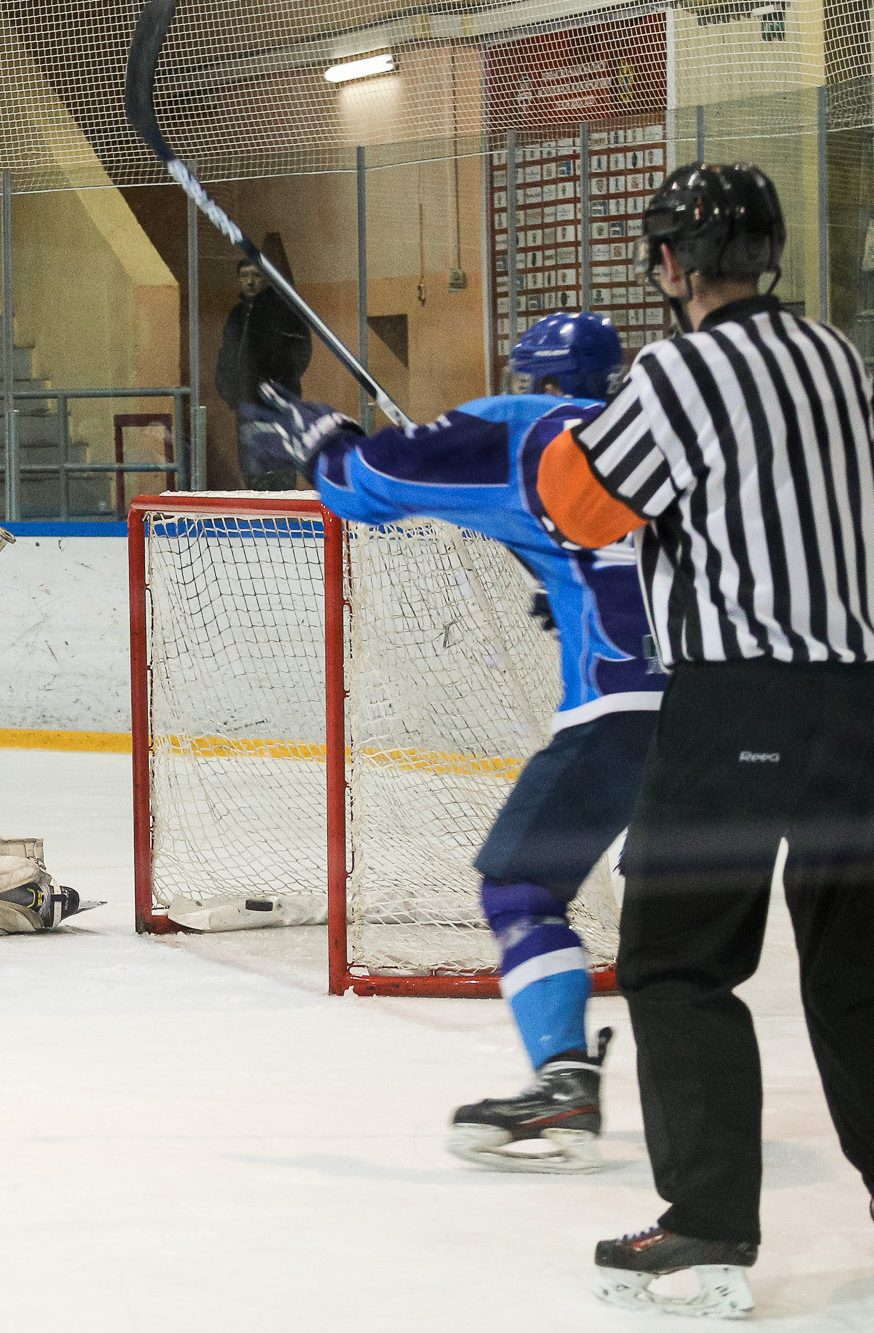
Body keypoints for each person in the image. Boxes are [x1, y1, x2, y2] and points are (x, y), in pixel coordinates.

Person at [534, 163, 874, 1317]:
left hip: (740, 697)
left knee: (677, 957)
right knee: (849, 944)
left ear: (670, 263)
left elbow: (582, 508)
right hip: (858, 693)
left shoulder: (675, 372)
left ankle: (702, 1227)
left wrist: (552, 438)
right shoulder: (837, 357)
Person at [243, 310, 654, 1175]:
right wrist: (559, 576)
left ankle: (564, 1078)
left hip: (620, 715)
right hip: (732, 702)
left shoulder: (519, 427)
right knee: (696, 935)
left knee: (519, 888)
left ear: (532, 376)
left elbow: (359, 487)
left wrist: (323, 437)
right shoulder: (651, 432)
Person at [216, 257, 313, 489]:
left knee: (280, 464)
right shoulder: (236, 315)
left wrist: (277, 386)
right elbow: (227, 356)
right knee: (252, 466)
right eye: (244, 276)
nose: (249, 282)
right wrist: (229, 391)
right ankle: (258, 519)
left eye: (256, 275)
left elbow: (300, 352)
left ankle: (285, 520)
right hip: (246, 403)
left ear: (266, 279)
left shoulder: (285, 311)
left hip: (277, 404)